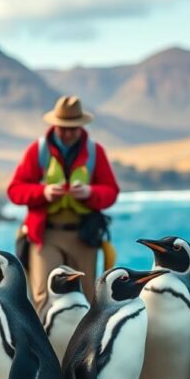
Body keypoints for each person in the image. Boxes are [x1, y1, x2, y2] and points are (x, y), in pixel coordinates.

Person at [7, 95, 120, 309]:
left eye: (73, 128)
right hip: (45, 235)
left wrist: (90, 192)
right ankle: (44, 343)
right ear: (54, 125)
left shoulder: (95, 152)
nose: (68, 133)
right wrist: (44, 192)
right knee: (43, 298)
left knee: (86, 299)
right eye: (63, 128)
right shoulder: (37, 151)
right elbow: (15, 191)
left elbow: (111, 192)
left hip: (84, 236)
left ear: (81, 126)